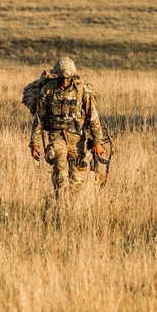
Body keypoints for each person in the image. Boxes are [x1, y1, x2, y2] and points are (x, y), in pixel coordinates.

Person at [29, 56, 105, 205]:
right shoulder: (48, 91)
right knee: (60, 169)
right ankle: (60, 204)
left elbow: (93, 117)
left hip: (77, 140)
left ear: (72, 76)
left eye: (68, 78)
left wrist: (98, 142)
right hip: (57, 136)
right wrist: (34, 143)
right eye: (62, 77)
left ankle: (70, 205)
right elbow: (39, 119)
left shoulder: (81, 90)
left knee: (77, 181)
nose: (64, 81)